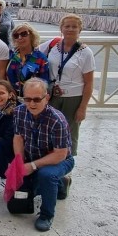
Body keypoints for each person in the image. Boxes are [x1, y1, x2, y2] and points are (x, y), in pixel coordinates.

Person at [13, 78, 74, 232]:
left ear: (46, 97)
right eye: (27, 99)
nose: (31, 104)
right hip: (32, 155)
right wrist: (19, 161)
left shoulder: (57, 120)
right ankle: (60, 184)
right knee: (15, 206)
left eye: (36, 99)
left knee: (46, 175)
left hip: (60, 160)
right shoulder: (19, 111)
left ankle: (47, 215)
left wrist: (32, 166)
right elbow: (18, 137)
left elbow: (61, 154)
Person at [40, 14, 95, 156]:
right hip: (52, 95)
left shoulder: (85, 53)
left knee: (70, 131)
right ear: (61, 29)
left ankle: (67, 163)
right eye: (67, 26)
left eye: (74, 27)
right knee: (49, 128)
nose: (70, 29)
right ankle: (50, 159)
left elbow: (89, 82)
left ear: (80, 30)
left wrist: (83, 108)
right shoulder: (52, 46)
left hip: (73, 98)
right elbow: (33, 51)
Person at [8, 23, 50, 97]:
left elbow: (44, 83)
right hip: (12, 98)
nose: (20, 37)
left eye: (24, 34)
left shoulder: (40, 58)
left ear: (32, 35)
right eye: (16, 36)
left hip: (32, 99)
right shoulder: (12, 56)